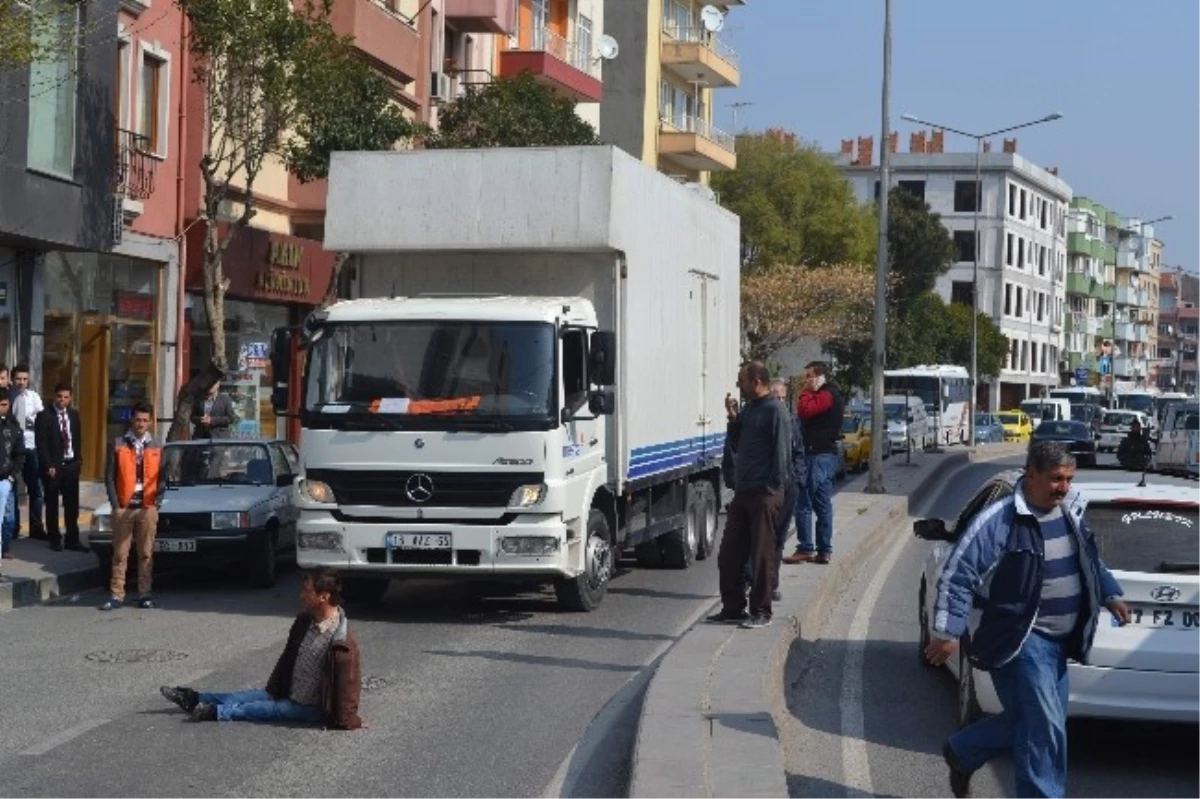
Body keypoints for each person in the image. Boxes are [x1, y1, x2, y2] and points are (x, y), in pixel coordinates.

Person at [924, 440, 1129, 799]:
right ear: (1030, 475)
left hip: (1059, 641)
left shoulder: (1070, 511)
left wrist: (1110, 593)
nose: (1064, 487)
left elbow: (1089, 560)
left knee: (1037, 722)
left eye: (1068, 478)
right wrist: (947, 631)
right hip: (1020, 637)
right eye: (1055, 479)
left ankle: (964, 751)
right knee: (1044, 730)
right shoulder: (1000, 520)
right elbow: (959, 575)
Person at [159, 569, 364, 728]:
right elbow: (287, 660)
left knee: (259, 709)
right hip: (286, 692)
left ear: (324, 597)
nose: (301, 595)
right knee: (239, 697)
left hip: (310, 708)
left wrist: (351, 721)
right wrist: (274, 688)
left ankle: (215, 712)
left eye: (307, 591)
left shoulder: (342, 642)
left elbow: (349, 687)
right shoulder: (304, 622)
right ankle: (193, 698)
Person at [707, 362, 791, 630]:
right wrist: (733, 418)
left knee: (761, 555)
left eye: (741, 380)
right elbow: (736, 445)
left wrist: (772, 488)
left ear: (756, 381)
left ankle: (761, 611)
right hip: (743, 493)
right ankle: (733, 608)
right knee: (729, 554)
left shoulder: (775, 411)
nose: (738, 386)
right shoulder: (749, 410)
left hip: (764, 494)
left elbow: (782, 454)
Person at [741, 379, 805, 602]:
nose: (778, 401)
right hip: (767, 487)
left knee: (777, 538)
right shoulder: (759, 418)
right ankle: (751, 580)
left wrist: (797, 479)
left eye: (781, 398)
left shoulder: (790, 421)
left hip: (788, 486)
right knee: (758, 537)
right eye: (775, 397)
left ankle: (772, 584)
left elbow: (798, 452)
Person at [99, 402, 164, 611]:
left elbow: (163, 478)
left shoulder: (157, 445)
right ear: (131, 420)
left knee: (145, 553)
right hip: (124, 507)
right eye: (138, 419)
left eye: (145, 420)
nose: (141, 424)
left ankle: (145, 594)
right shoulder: (117, 443)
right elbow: (109, 477)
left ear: (151, 421)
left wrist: (157, 502)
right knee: (120, 554)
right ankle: (117, 595)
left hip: (147, 506)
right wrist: (115, 505)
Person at [784, 361, 844, 565]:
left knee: (804, 502)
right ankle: (824, 551)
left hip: (816, 456)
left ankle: (806, 548)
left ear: (820, 377)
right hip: (824, 456)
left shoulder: (826, 395)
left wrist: (803, 393)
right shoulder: (830, 394)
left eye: (809, 376)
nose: (806, 381)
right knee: (822, 504)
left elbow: (805, 410)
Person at [35, 383, 86, 552]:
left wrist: (78, 461)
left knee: (72, 505)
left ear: (70, 398)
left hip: (71, 465)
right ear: (54, 396)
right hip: (53, 467)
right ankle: (54, 538)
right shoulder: (44, 416)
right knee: (52, 504)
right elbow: (41, 444)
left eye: (66, 397)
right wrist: (48, 464)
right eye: (59, 397)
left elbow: (77, 439)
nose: (62, 400)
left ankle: (72, 539)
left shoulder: (74, 415)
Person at [11, 364, 46, 541]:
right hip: (13, 450)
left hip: (31, 447)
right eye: (18, 379)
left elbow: (41, 420)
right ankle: (13, 528)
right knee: (14, 490)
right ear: (12, 379)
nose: (22, 382)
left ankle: (36, 528)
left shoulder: (34, 397)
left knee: (36, 489)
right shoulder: (8, 398)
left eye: (25, 379)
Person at [0, 394, 25, 560]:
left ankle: (5, 547)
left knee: (9, 518)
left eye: (5, 404)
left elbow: (20, 454)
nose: (3, 407)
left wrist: (12, 475)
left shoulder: (13, 427)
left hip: (5, 479)